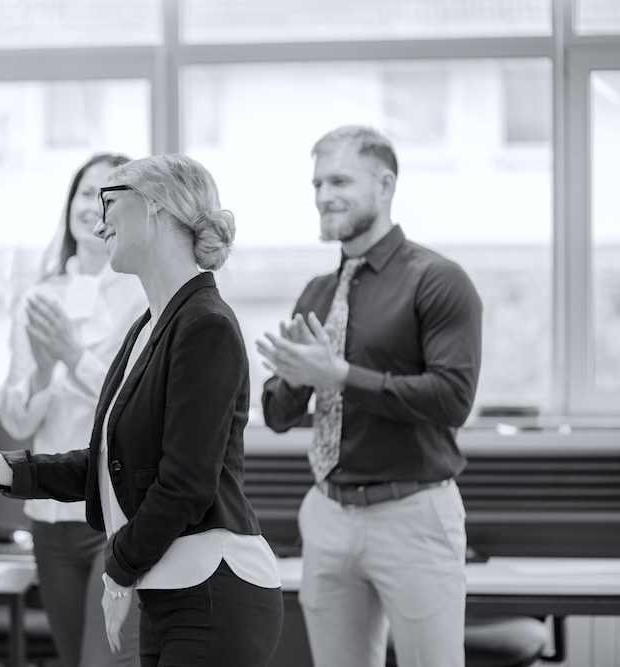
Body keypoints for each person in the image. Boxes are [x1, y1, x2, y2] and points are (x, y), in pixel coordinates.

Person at [0, 154, 285, 667]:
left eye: (109, 202)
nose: (99, 222)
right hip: (167, 589)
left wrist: (117, 571)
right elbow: (109, 461)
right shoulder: (150, 326)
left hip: (214, 590)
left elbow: (186, 484)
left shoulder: (206, 324)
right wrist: (0, 467)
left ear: (154, 209)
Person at [257, 125, 482, 667]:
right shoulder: (317, 292)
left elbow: (452, 398)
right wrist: (297, 378)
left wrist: (339, 375)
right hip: (328, 513)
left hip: (414, 513)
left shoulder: (439, 280)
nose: (323, 196)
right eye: (316, 184)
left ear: (385, 185)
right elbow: (276, 414)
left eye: (339, 180)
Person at [0, 154, 146, 667]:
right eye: (87, 192)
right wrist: (42, 371)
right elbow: (16, 422)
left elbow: (133, 405)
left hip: (115, 514)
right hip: (50, 516)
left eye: (111, 195)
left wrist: (71, 355)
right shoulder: (38, 296)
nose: (95, 206)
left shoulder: (144, 293)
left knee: (104, 661)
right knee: (70, 656)